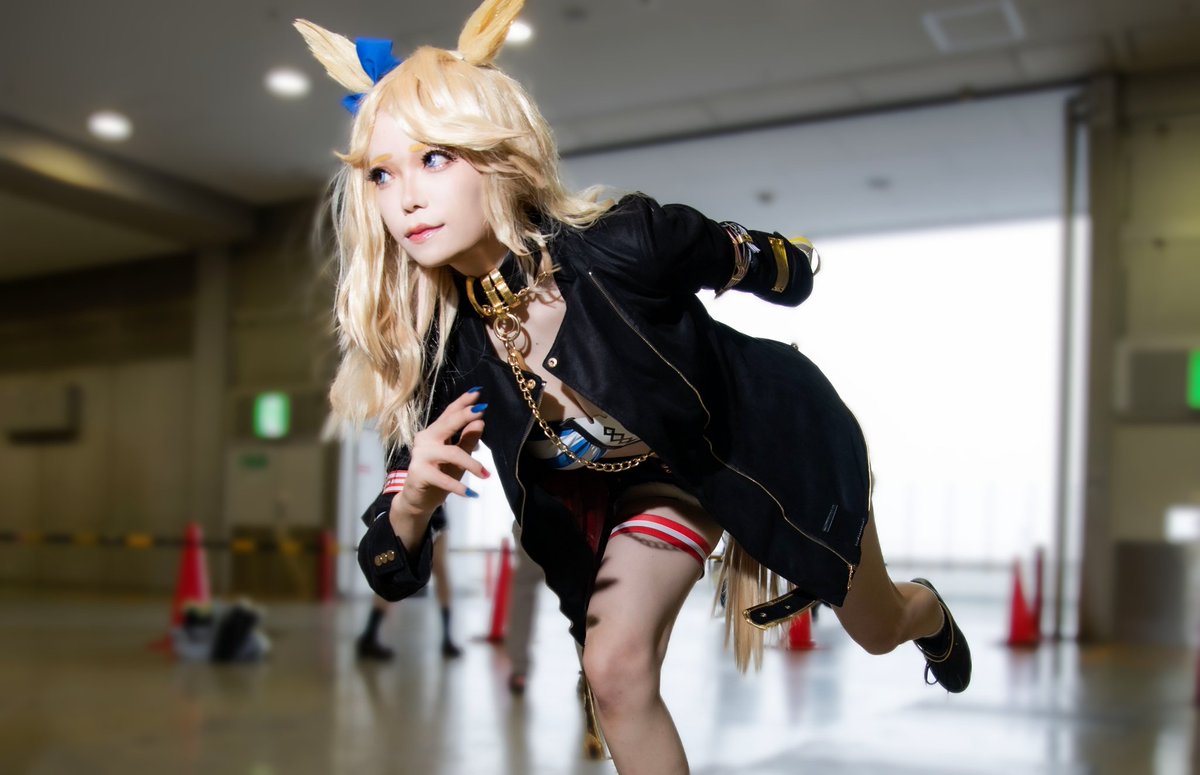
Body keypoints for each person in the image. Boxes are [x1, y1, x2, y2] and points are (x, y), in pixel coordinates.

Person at [298, 2, 971, 772]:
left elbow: (772, 267)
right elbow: (386, 567)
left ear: (497, 154)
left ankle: (924, 609)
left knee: (876, 628)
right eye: (382, 173)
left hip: (766, 440)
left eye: (435, 158)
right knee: (613, 671)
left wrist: (780, 262)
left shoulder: (626, 245)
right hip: (649, 489)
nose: (406, 197)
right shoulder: (442, 355)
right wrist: (413, 503)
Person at [355, 506, 462, 660]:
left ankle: (447, 638)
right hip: (413, 510)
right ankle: (369, 635)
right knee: (393, 569)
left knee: (439, 569)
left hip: (432, 512)